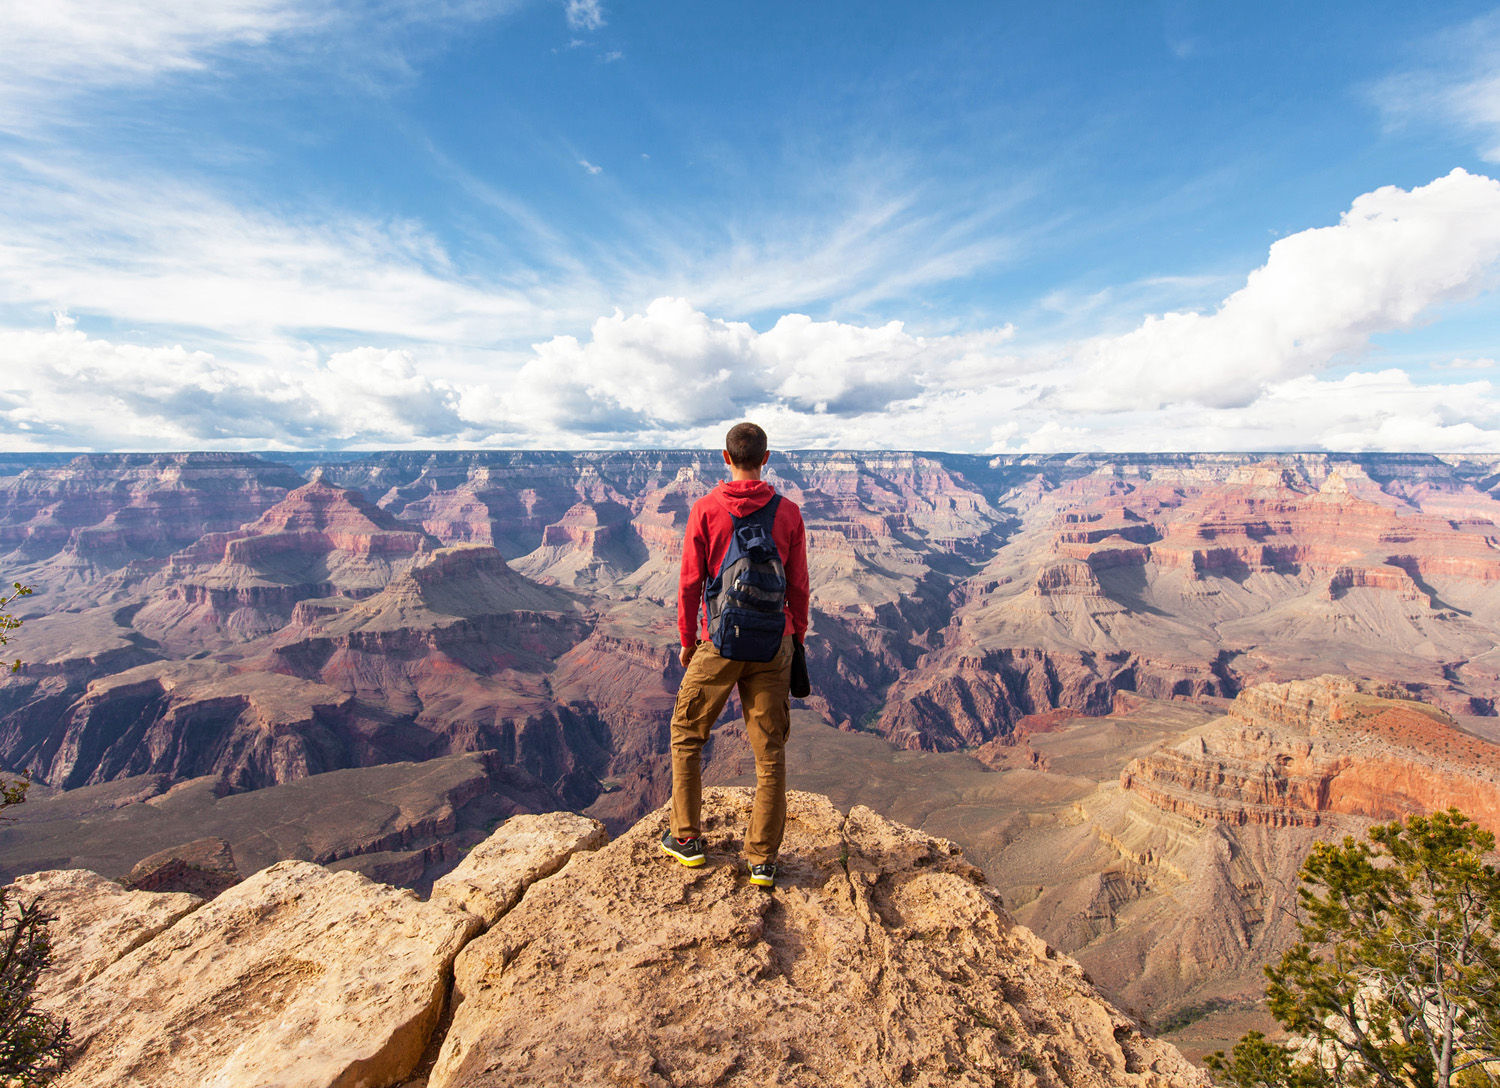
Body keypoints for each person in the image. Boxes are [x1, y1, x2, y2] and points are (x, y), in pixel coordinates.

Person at [660, 422, 809, 889]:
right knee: (770, 754)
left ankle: (687, 838)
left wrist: (688, 640)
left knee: (687, 733)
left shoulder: (705, 509)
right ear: (767, 457)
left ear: (725, 458)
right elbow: (800, 586)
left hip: (720, 643)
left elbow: (689, 583)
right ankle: (761, 860)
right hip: (773, 643)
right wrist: (795, 636)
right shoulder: (788, 513)